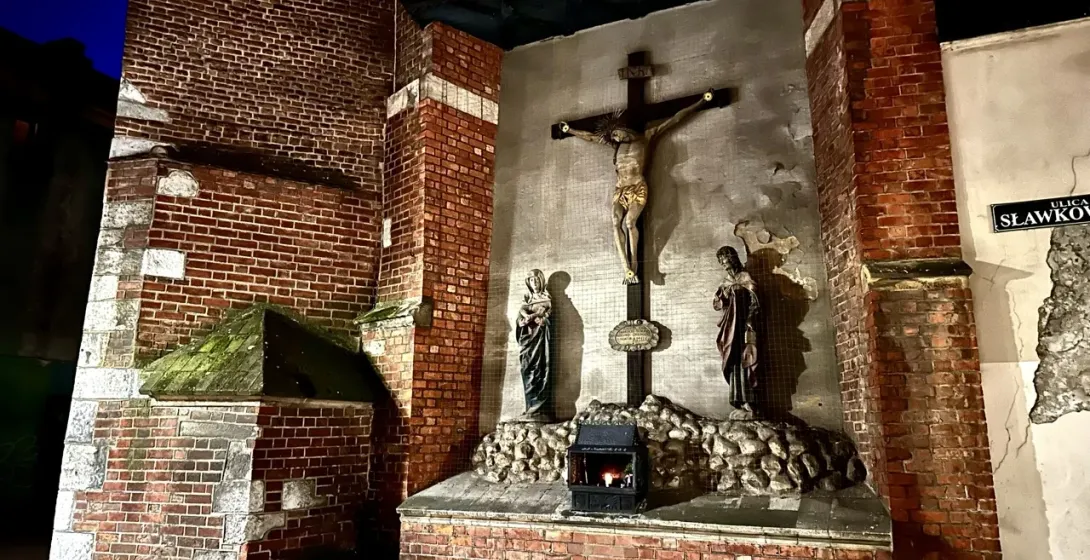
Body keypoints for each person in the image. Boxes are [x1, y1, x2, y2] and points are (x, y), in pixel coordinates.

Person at [560, 90, 714, 284]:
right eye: (613, 137)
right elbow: (591, 137)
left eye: (616, 134)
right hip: (620, 190)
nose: (614, 138)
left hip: (638, 187)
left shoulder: (647, 137)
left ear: (624, 128)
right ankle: (626, 268)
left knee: (630, 223)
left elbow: (675, 119)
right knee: (615, 222)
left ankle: (635, 263)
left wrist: (700, 102)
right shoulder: (615, 146)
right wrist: (569, 130)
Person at [713, 246, 760, 418]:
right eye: (721, 262)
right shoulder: (725, 281)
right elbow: (718, 305)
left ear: (733, 259)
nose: (724, 264)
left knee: (746, 360)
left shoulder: (745, 277)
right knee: (733, 362)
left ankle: (751, 402)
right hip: (730, 329)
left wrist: (750, 320)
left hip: (744, 326)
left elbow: (756, 301)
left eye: (726, 260)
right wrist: (722, 296)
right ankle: (739, 401)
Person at [516, 269, 553, 422]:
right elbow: (519, 320)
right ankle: (529, 407)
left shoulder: (546, 299)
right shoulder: (527, 300)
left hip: (540, 340)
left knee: (540, 369)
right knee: (526, 369)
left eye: (537, 280)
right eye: (531, 281)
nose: (535, 283)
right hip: (528, 340)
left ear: (541, 282)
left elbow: (548, 318)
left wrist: (543, 321)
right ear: (528, 283)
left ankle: (538, 410)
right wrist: (523, 321)